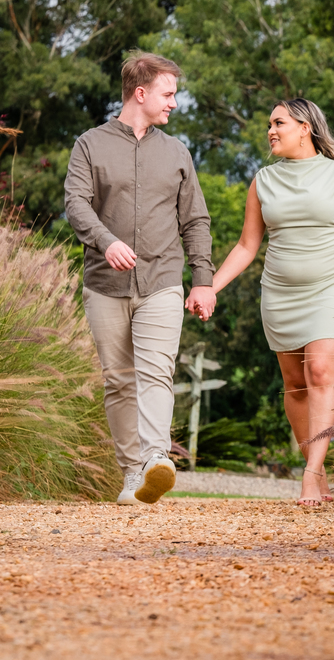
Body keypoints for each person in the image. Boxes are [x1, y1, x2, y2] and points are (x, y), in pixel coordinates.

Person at [208, 98, 334, 506]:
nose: (270, 130)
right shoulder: (262, 181)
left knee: (321, 371)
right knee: (295, 384)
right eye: (269, 123)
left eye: (278, 122)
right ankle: (317, 471)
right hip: (281, 293)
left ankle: (309, 476)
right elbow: (247, 245)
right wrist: (209, 287)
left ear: (305, 127)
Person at [65, 52, 216, 506]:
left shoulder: (176, 152)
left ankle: (155, 459)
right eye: (168, 94)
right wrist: (105, 241)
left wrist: (203, 279)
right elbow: (76, 204)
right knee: (119, 380)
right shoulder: (89, 145)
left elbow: (196, 220)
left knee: (156, 372)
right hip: (104, 285)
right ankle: (132, 475)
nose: (174, 103)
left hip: (163, 280)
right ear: (141, 92)